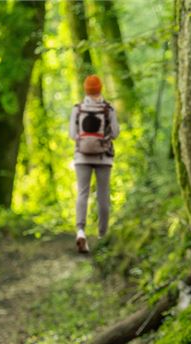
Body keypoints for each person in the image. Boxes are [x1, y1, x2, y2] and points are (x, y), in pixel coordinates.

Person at [69, 75, 119, 253]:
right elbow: (115, 133)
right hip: (103, 157)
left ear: (86, 90)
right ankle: (102, 235)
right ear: (100, 89)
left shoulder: (78, 108)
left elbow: (72, 134)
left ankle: (81, 231)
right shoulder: (108, 109)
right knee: (103, 195)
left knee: (82, 193)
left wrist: (85, 142)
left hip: (82, 157)